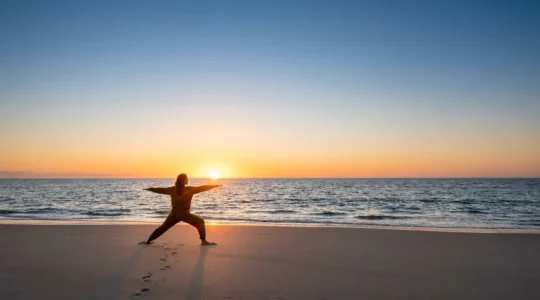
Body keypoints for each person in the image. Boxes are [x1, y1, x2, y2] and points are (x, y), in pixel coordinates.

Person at [142, 173, 221, 245]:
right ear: (183, 181)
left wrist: (150, 189)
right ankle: (203, 241)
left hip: (173, 215)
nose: (188, 180)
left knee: (162, 228)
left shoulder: (172, 189)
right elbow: (202, 188)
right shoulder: (189, 190)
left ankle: (148, 241)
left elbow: (160, 190)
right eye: (187, 179)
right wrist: (213, 186)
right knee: (200, 222)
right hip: (184, 214)